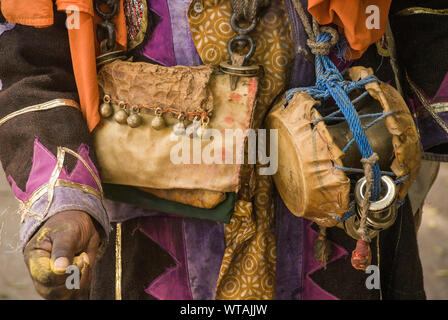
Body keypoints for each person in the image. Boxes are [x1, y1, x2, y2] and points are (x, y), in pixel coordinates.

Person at [0, 0, 442, 300]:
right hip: (148, 225)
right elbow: (28, 56)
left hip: (346, 186)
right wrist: (64, 200)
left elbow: (425, 19)